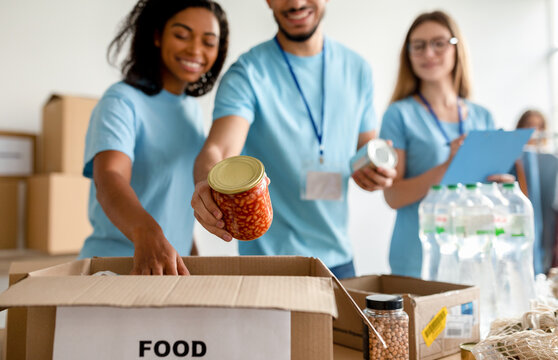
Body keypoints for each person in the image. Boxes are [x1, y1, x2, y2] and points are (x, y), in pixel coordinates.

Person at [191, 0, 396, 279]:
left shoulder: (358, 69)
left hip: (339, 262)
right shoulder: (248, 73)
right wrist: (206, 182)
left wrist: (376, 172)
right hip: (268, 266)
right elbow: (219, 149)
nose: (297, 3)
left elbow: (365, 147)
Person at [78, 0, 229, 275]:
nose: (195, 49)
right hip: (115, 269)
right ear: (157, 36)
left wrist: (191, 257)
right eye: (182, 35)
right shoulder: (121, 100)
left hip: (167, 272)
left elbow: (173, 201)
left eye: (208, 42)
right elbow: (109, 176)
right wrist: (148, 233)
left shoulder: (190, 112)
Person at [379, 10, 513, 277]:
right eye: (418, 46)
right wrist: (448, 167)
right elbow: (392, 196)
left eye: (439, 43)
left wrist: (502, 188)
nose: (429, 54)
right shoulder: (399, 114)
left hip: (473, 254)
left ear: (456, 47)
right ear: (408, 54)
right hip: (417, 259)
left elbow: (487, 193)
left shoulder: (482, 116)